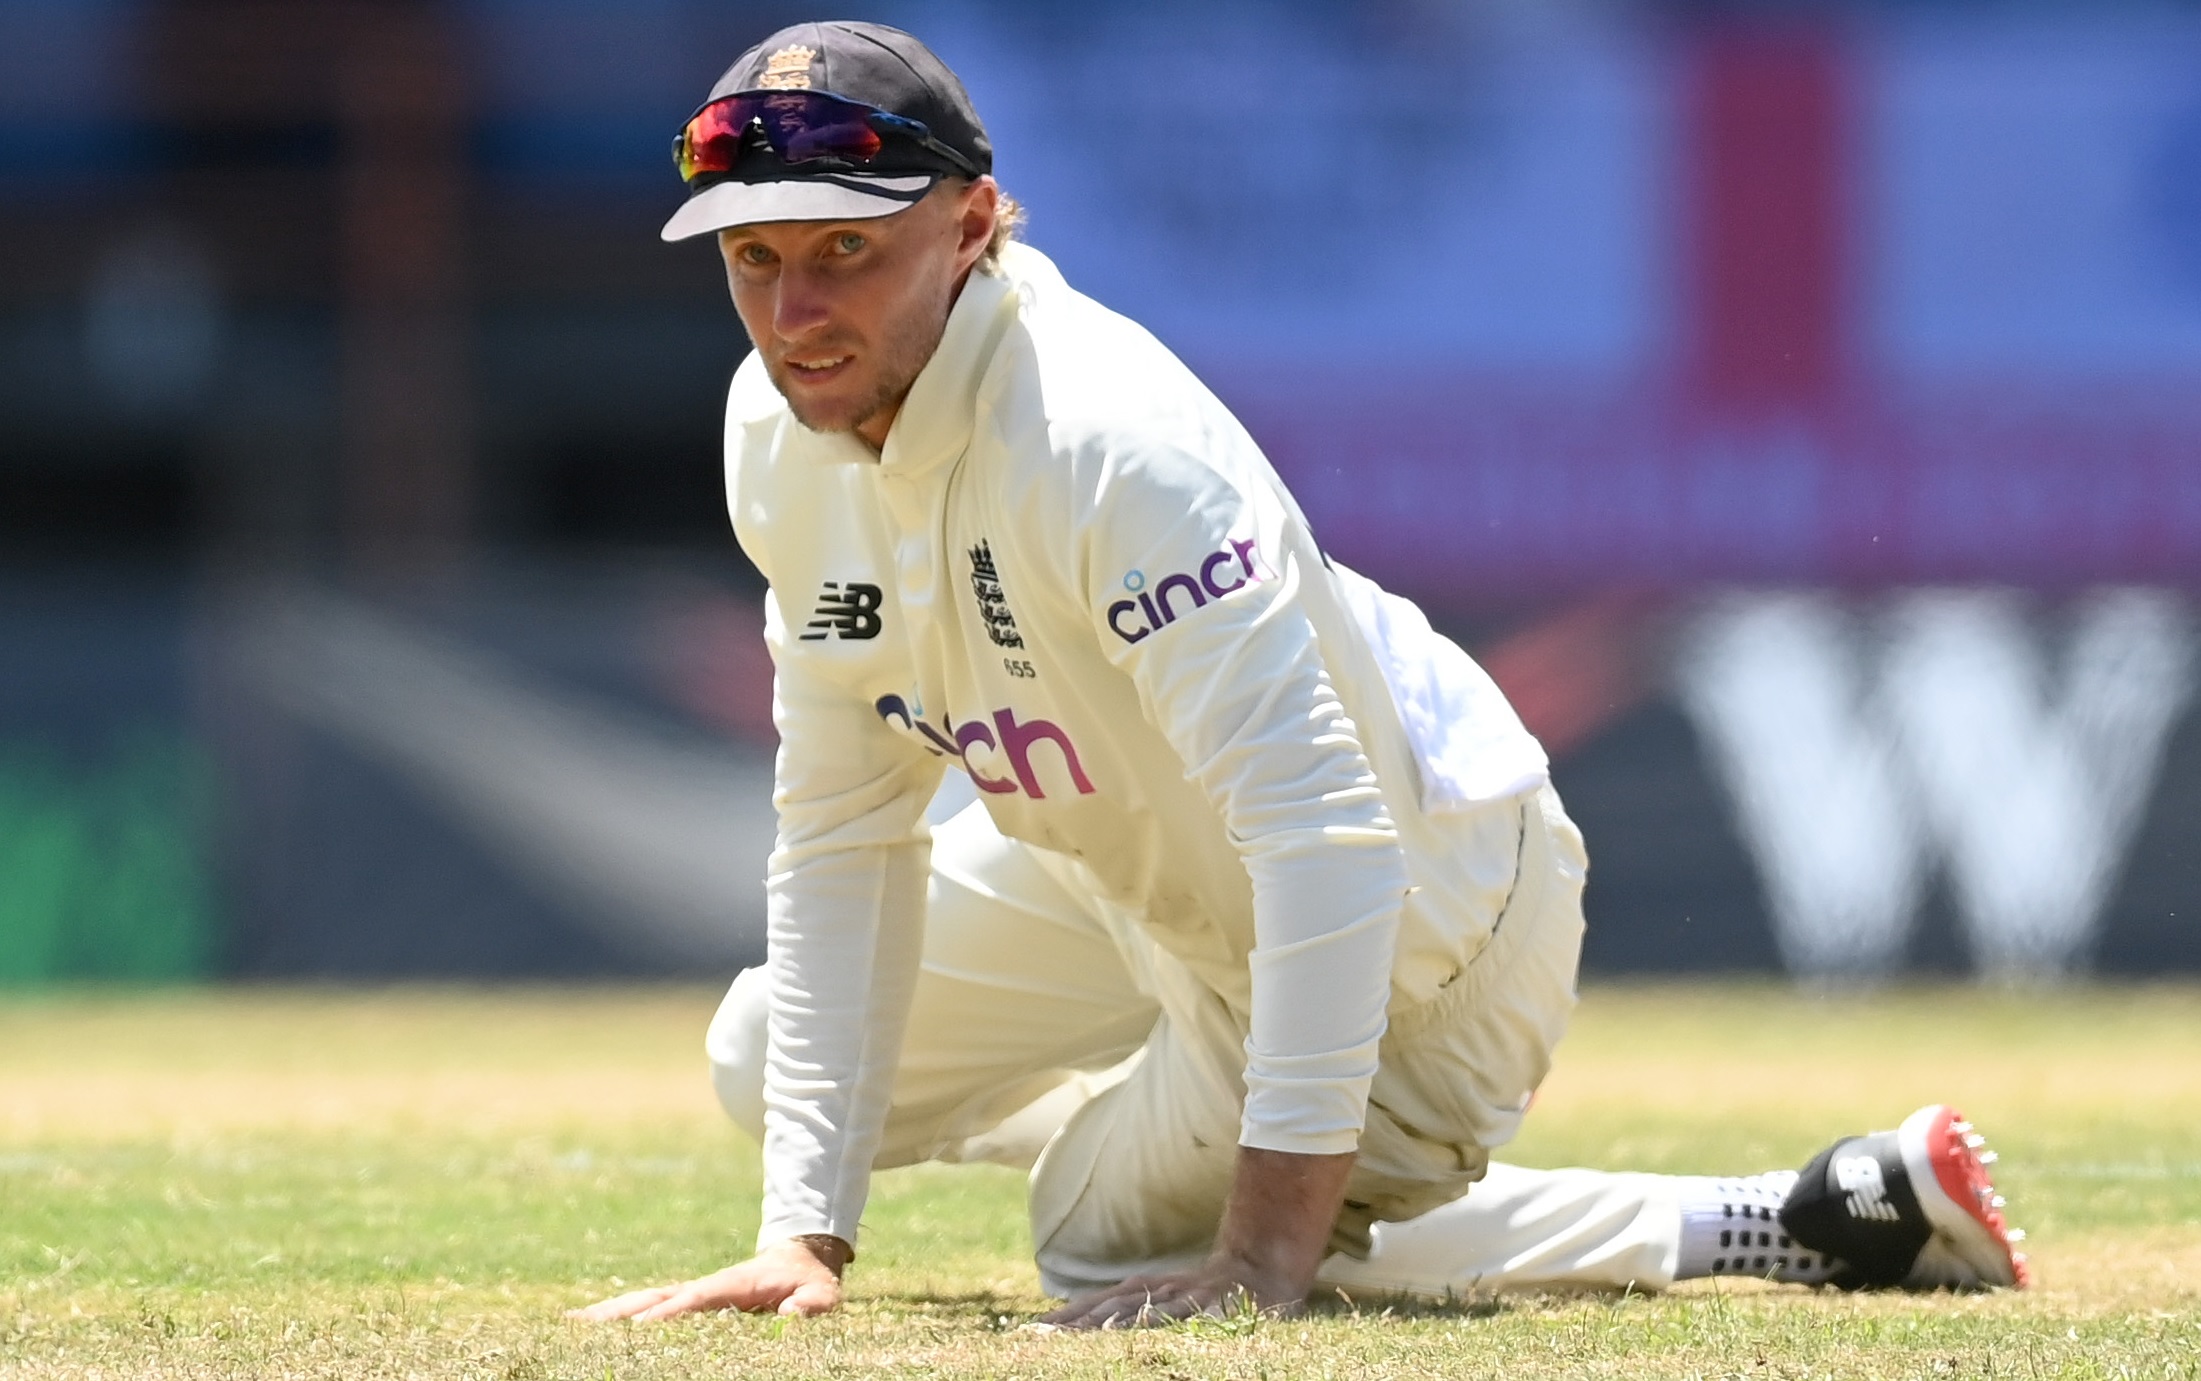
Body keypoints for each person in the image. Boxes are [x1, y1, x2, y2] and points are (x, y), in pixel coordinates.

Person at [577, 21, 2026, 1328]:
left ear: (968, 229)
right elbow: (843, 831)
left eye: (845, 252)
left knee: (1094, 1235)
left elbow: (1329, 842)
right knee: (764, 1060)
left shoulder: (1104, 442)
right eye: (753, 259)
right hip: (1146, 883)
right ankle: (1221, 1112)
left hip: (1434, 911)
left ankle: (1767, 1218)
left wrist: (1263, 1249)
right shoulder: (774, 431)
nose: (791, 314)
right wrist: (802, 1236)